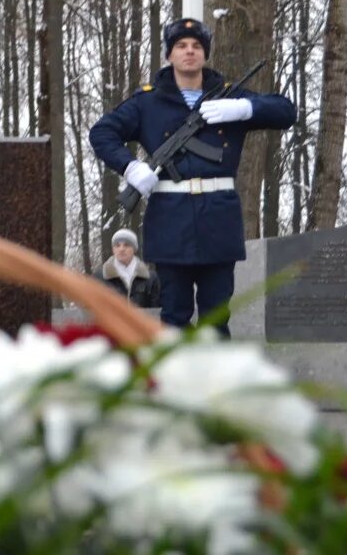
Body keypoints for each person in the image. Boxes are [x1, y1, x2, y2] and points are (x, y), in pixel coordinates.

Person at [88, 18, 295, 334]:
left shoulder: (227, 97)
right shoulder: (148, 101)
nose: (189, 52)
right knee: (174, 318)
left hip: (218, 219)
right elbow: (102, 132)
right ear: (170, 55)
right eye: (181, 46)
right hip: (171, 221)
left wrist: (243, 109)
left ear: (205, 54)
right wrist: (131, 167)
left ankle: (217, 384)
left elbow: (285, 111)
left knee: (216, 319)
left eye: (196, 46)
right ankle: (174, 383)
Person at [98, 228, 160, 308]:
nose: (121, 249)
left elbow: (157, 311)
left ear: (134, 249)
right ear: (113, 249)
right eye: (117, 245)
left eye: (126, 245)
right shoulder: (100, 277)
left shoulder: (151, 278)